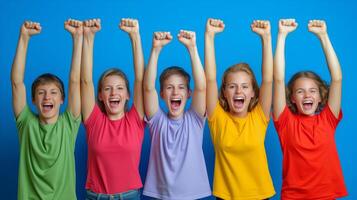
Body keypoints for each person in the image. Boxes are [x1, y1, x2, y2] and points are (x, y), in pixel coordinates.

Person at [273, 19, 348, 199]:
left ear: (321, 96)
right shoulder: (285, 122)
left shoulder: (328, 119)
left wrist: (323, 36)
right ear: (292, 97)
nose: (307, 95)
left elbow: (337, 78)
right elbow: (278, 79)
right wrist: (282, 35)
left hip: (326, 195)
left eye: (312, 91)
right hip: (293, 196)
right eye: (300, 91)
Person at [11, 19, 82, 200]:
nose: (47, 97)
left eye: (53, 93)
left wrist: (77, 39)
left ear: (62, 100)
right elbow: (17, 83)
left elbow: (75, 81)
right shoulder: (26, 124)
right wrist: (24, 38)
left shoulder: (68, 124)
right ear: (33, 100)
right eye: (41, 93)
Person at [205, 18, 275, 199]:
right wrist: (209, 36)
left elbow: (268, 79)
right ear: (224, 92)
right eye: (232, 86)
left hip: (260, 196)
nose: (238, 91)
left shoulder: (259, 116)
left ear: (253, 93)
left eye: (245, 86)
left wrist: (266, 38)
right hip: (226, 196)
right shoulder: (217, 117)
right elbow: (210, 79)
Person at [81, 18, 145, 200]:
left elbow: (140, 78)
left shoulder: (135, 120)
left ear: (127, 95)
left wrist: (135, 36)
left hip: (130, 196)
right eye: (107, 88)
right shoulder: (94, 121)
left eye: (119, 88)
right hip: (96, 197)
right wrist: (89, 38)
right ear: (100, 95)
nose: (113, 93)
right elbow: (86, 81)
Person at [142, 30, 211, 199]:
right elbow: (147, 87)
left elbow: (202, 87)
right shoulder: (158, 121)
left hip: (193, 195)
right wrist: (155, 50)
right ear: (162, 94)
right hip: (162, 195)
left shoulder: (194, 119)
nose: (175, 92)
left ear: (189, 93)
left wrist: (192, 48)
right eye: (169, 87)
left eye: (180, 87)